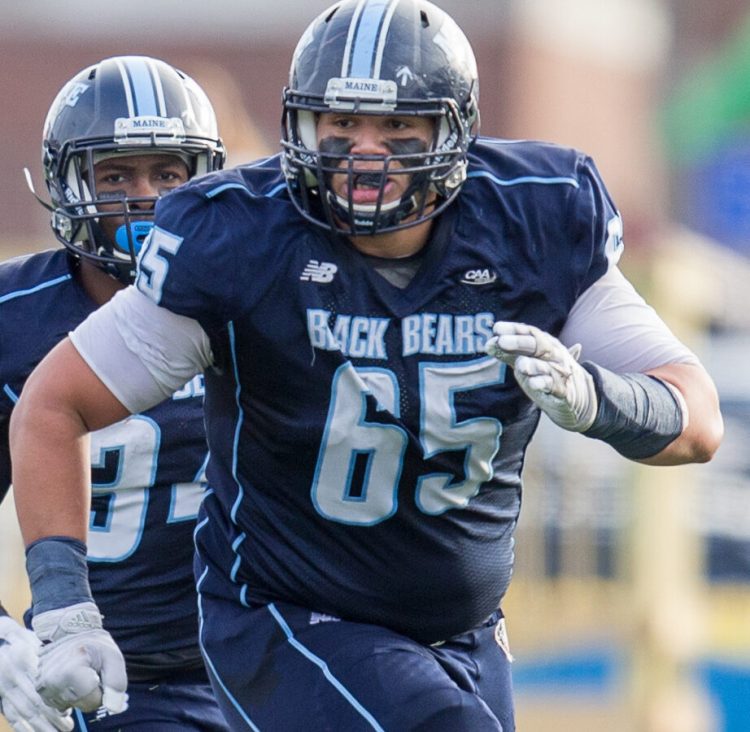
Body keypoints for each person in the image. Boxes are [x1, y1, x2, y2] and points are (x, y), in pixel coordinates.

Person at [9, 2, 723, 730]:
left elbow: (698, 419)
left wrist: (600, 399)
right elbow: (55, 403)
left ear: (453, 133)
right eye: (341, 125)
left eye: (398, 128)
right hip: (293, 615)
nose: (365, 154)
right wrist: (61, 614)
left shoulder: (534, 219)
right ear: (301, 126)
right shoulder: (241, 239)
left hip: (463, 632)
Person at [0, 56, 231, 731]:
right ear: (70, 185)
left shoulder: (247, 294)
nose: (144, 197)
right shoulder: (17, 317)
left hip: (263, 652)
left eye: (167, 173)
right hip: (104, 669)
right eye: (116, 174)